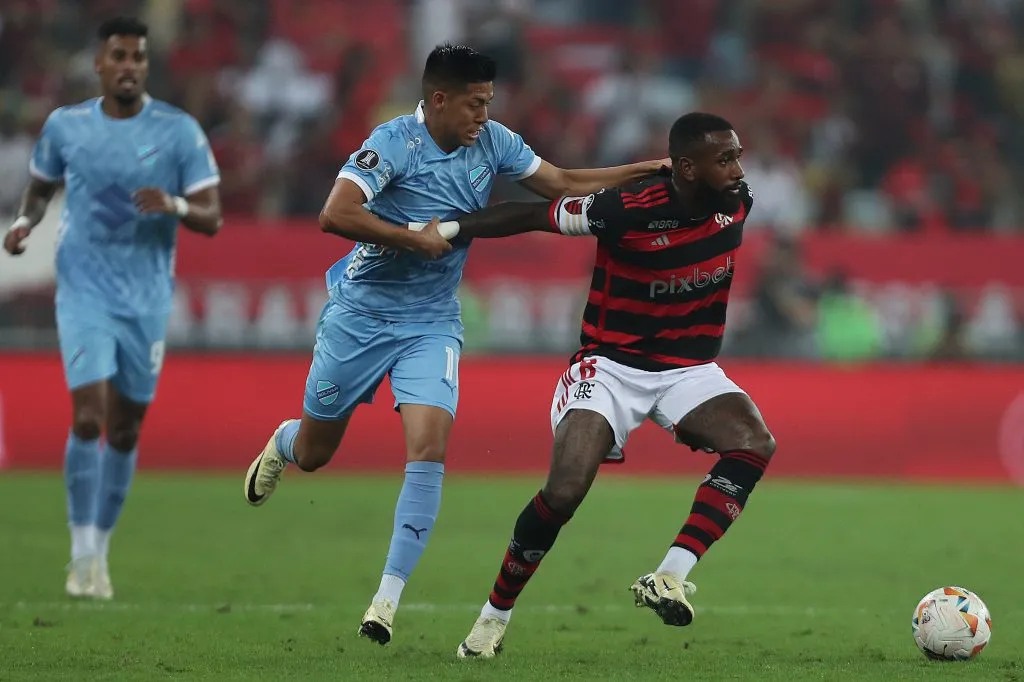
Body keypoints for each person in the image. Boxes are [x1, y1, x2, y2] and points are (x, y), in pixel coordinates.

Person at [241, 43, 669, 646]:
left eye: (488, 102)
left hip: (432, 322)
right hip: (359, 317)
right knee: (316, 453)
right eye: (474, 104)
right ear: (439, 100)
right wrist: (410, 238)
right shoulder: (392, 143)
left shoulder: (493, 142)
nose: (483, 116)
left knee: (429, 446)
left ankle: (385, 601)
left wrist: (647, 171)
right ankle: (284, 442)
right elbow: (334, 214)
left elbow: (562, 183)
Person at [411, 113, 777, 658]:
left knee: (754, 443)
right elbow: (533, 214)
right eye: (724, 159)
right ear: (686, 168)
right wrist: (449, 229)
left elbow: (729, 196)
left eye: (737, 157)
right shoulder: (622, 210)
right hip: (610, 367)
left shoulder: (737, 202)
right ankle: (492, 619)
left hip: (688, 369)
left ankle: (669, 575)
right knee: (564, 491)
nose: (738, 171)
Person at [2, 17, 222, 599]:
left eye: (138, 57)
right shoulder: (65, 126)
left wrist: (175, 205)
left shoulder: (178, 132)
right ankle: (79, 555)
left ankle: (99, 550)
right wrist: (24, 221)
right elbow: (40, 187)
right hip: (83, 291)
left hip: (146, 298)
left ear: (146, 66)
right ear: (99, 64)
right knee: (89, 417)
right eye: (119, 56)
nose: (128, 66)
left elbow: (212, 216)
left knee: (124, 429)